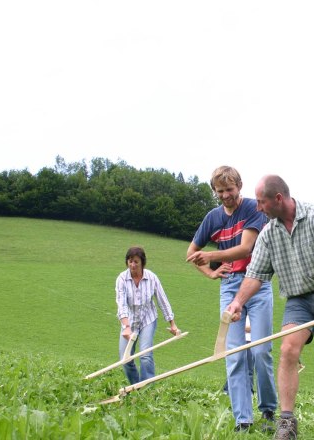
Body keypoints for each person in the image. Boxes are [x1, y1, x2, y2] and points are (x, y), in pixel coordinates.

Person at [224, 175, 314, 439]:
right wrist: (238, 302)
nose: (257, 208)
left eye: (261, 202)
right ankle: (287, 423)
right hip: (298, 300)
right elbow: (255, 274)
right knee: (288, 349)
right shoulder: (268, 233)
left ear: (278, 199)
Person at [186, 166, 277, 432]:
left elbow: (246, 248)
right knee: (235, 354)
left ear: (239, 186)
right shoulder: (212, 218)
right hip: (229, 287)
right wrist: (210, 274)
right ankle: (243, 420)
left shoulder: (251, 209)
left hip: (257, 282)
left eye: (230, 189)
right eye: (220, 191)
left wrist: (212, 257)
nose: (226, 195)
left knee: (261, 350)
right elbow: (191, 252)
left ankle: (269, 409)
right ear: (215, 191)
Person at [115, 246, 180, 385]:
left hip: (147, 319)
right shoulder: (122, 279)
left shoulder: (152, 278)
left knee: (145, 355)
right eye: (130, 261)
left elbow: (162, 300)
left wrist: (173, 324)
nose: (132, 265)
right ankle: (136, 386)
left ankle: (147, 388)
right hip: (129, 321)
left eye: (136, 262)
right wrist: (126, 326)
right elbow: (121, 304)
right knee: (125, 359)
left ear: (142, 263)